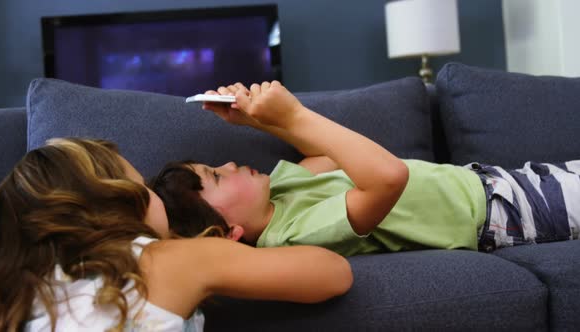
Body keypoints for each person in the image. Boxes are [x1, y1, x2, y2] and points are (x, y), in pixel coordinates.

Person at [151, 81, 580, 256]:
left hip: (498, 182)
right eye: (216, 176)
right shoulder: (294, 236)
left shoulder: (280, 190)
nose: (228, 163)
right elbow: (388, 178)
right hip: (506, 217)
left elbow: (330, 157)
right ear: (228, 233)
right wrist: (293, 115)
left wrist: (259, 120)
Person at [0, 138, 352, 331]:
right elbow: (333, 273)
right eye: (140, 183)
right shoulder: (168, 258)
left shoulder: (22, 297)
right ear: (120, 199)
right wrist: (217, 254)